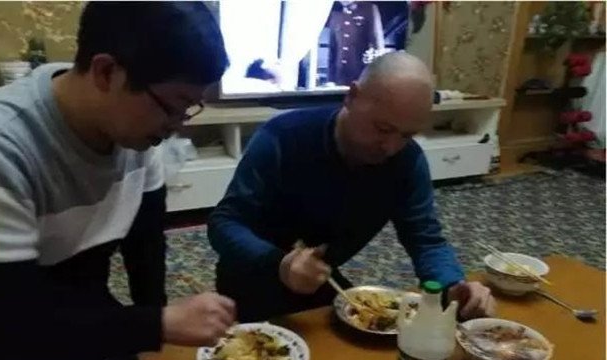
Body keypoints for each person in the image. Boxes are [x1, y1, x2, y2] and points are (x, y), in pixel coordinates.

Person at [0, 2, 234, 360]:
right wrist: (158, 324)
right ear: (106, 72)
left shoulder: (135, 130)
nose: (178, 126)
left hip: (83, 307)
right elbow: (8, 326)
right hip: (6, 345)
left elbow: (145, 242)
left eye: (190, 108)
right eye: (173, 106)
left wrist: (158, 342)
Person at [208, 52, 496, 323]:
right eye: (383, 129)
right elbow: (225, 222)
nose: (391, 147)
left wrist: (452, 285)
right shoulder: (282, 137)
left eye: (407, 135)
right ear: (352, 96)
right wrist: (280, 264)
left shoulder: (408, 161)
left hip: (319, 278)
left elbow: (425, 238)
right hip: (252, 273)